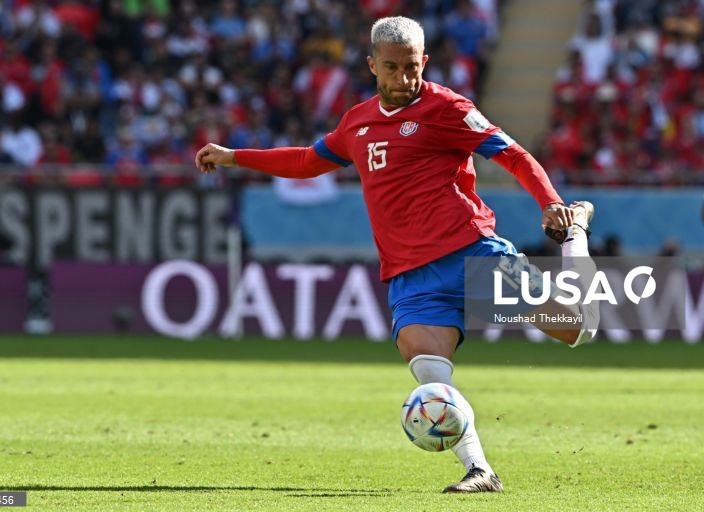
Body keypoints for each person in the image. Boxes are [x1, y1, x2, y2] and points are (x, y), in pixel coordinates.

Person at [195, 16, 600, 493]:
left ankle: (576, 234)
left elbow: (512, 154)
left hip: (471, 253)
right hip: (411, 276)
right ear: (372, 65)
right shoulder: (357, 122)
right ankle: (480, 470)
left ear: (424, 61)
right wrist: (234, 156)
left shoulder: (448, 107)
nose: (404, 78)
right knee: (430, 376)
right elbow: (307, 161)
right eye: (392, 68)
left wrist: (551, 204)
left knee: (580, 329)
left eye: (412, 67)